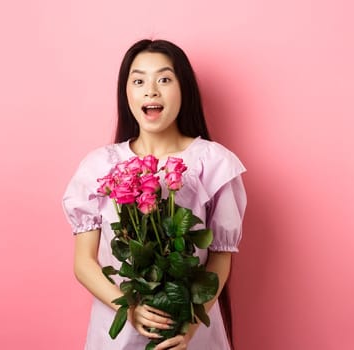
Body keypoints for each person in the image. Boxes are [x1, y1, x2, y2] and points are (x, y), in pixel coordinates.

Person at [62, 39, 246, 349]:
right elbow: (84, 262)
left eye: (164, 79)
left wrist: (187, 328)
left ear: (183, 88)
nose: (151, 90)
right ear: (127, 93)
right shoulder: (99, 166)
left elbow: (219, 260)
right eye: (138, 80)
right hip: (117, 329)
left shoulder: (214, 162)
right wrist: (128, 307)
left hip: (188, 330)